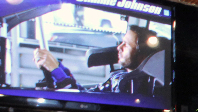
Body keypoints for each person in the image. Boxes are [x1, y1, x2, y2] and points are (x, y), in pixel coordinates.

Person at [33, 25, 163, 95]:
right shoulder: (122, 75)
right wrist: (58, 67)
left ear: (141, 55)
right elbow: (86, 94)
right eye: (121, 42)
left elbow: (79, 100)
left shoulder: (132, 84)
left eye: (126, 45)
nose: (119, 48)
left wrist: (56, 70)